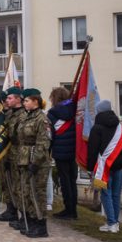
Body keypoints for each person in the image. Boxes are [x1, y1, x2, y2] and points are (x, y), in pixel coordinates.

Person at [87, 99, 122, 233]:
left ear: (99, 112)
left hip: (103, 169)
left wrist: (90, 168)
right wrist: (121, 162)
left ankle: (111, 223)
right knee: (116, 195)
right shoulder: (119, 127)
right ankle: (115, 223)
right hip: (119, 168)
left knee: (106, 194)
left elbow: (92, 150)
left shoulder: (97, 128)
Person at [16, 88, 52, 238]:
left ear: (35, 102)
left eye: (26, 100)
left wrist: (35, 162)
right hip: (24, 159)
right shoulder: (26, 117)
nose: (24, 103)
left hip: (38, 162)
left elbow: (43, 143)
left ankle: (41, 225)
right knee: (27, 192)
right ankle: (31, 221)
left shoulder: (41, 119)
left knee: (37, 192)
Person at [47, 86, 77, 219]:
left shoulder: (52, 113)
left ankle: (68, 210)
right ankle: (73, 210)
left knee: (65, 182)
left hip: (60, 151)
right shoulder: (75, 110)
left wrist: (48, 151)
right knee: (72, 181)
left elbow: (50, 135)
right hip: (73, 150)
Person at [0, 88, 25, 224]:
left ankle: (22, 213)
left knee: (18, 185)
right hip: (8, 153)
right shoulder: (8, 114)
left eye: (10, 98)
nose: (7, 101)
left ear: (18, 99)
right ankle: (10, 209)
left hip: (18, 153)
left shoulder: (23, 115)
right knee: (7, 182)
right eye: (7, 99)